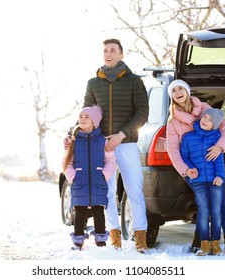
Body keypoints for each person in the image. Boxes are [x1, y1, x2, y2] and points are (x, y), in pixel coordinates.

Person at [83, 38, 149, 253]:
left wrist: (121, 135)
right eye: (105, 51)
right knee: (107, 193)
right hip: (102, 146)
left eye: (113, 50)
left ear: (121, 54)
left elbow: (142, 113)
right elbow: (86, 114)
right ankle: (115, 237)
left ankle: (140, 238)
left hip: (126, 143)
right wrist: (77, 132)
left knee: (134, 191)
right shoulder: (94, 83)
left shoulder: (134, 82)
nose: (108, 54)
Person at [166, 79, 225, 256]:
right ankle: (200, 242)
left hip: (212, 163)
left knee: (220, 201)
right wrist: (186, 170)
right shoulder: (173, 122)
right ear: (171, 96)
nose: (178, 92)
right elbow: (173, 150)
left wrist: (220, 147)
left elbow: (224, 127)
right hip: (191, 169)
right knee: (204, 204)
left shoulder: (203, 108)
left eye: (181, 88)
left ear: (187, 90)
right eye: (174, 90)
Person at [63, 106, 116, 250]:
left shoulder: (102, 140)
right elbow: (67, 161)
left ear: (95, 122)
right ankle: (78, 240)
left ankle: (100, 240)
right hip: (79, 181)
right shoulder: (73, 141)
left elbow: (111, 160)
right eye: (81, 116)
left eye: (87, 117)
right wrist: (73, 177)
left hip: (98, 181)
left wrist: (104, 174)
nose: (83, 119)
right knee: (80, 210)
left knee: (98, 210)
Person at [180, 108, 225, 256]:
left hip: (215, 181)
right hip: (198, 181)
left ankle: (216, 244)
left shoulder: (216, 138)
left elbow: (219, 160)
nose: (205, 120)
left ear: (215, 125)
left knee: (216, 212)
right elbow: (184, 156)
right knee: (203, 211)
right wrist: (190, 169)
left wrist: (220, 176)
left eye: (210, 120)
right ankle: (204, 245)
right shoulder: (188, 137)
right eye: (205, 117)